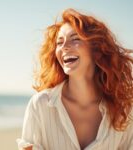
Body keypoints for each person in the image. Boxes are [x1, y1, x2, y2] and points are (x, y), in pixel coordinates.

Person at [17, 8, 133, 150]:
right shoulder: (40, 105)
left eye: (75, 39)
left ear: (96, 49)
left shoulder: (123, 111)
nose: (64, 47)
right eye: (59, 42)